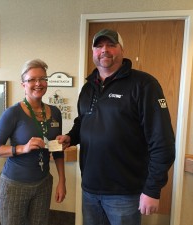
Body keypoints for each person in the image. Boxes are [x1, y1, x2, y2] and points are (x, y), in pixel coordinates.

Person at [57, 29, 175, 225]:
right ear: (93, 51)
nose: (105, 50)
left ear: (122, 50)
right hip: (90, 190)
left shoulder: (144, 84)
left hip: (124, 194)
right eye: (99, 46)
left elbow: (163, 141)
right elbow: (83, 121)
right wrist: (71, 137)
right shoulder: (88, 88)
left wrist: (152, 189)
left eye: (111, 45)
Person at [0, 59, 66, 225]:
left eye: (43, 79)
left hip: (43, 184)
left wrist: (62, 181)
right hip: (15, 186)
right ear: (23, 84)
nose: (38, 83)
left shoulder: (55, 112)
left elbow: (57, 150)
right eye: (32, 79)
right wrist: (22, 148)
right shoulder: (12, 113)